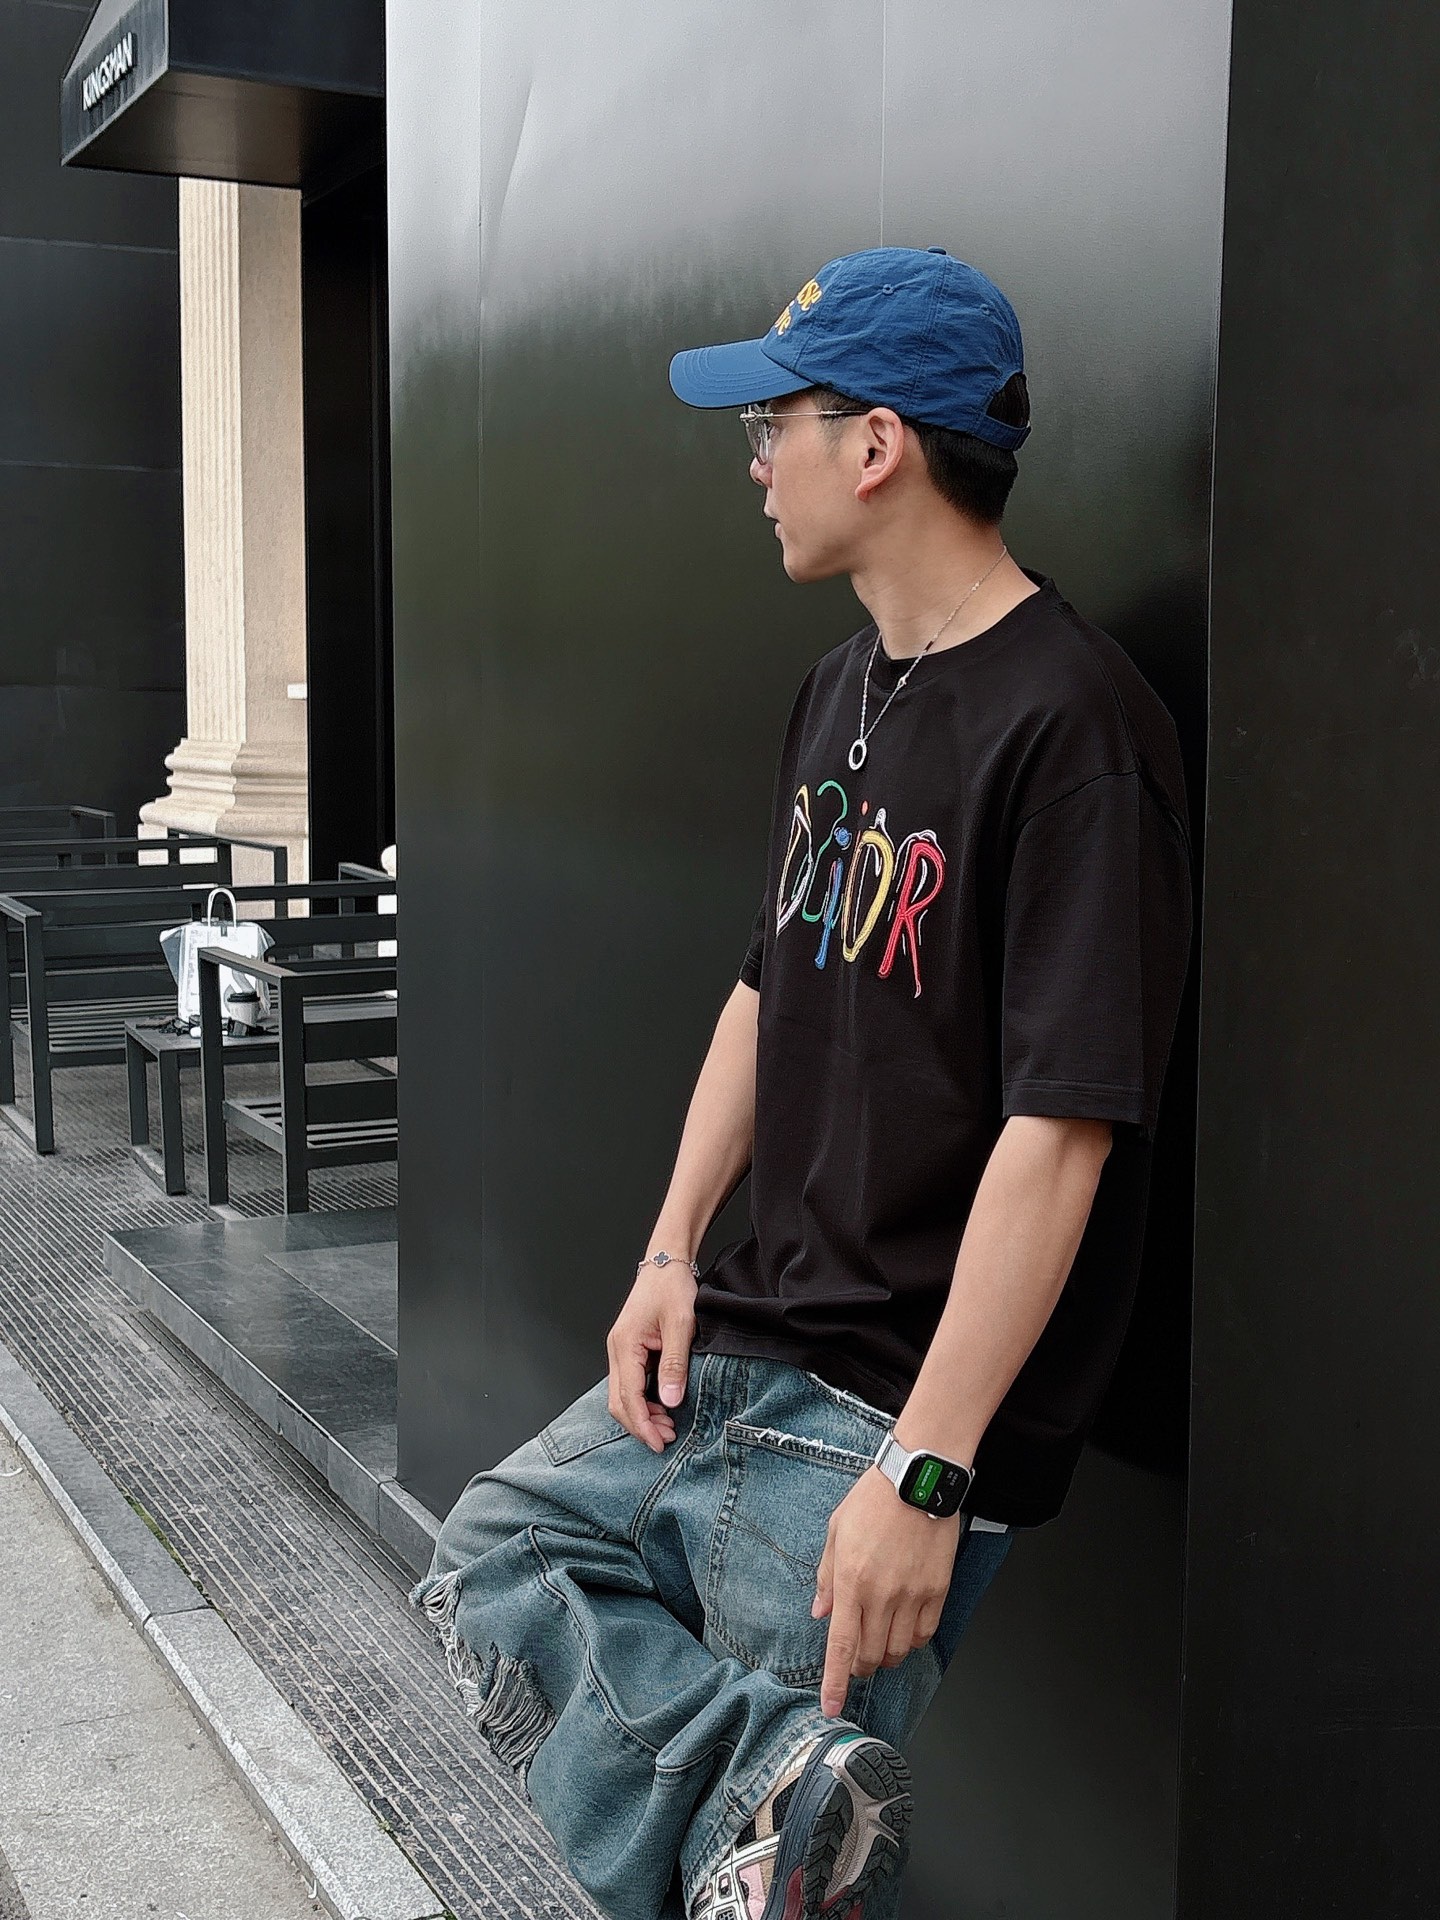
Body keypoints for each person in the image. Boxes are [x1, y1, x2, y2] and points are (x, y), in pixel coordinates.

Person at [411, 245, 1195, 1920]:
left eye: (774, 426)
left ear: (879, 444)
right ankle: (769, 1793)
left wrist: (927, 1472)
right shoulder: (839, 689)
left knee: (770, 1889)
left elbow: (1063, 1137)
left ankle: (775, 1812)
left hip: (880, 1414)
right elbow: (767, 991)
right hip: (747, 1335)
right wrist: (671, 1249)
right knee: (496, 1554)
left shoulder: (1077, 729)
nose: (755, 464)